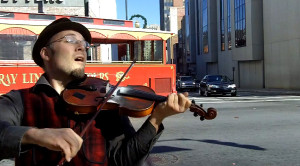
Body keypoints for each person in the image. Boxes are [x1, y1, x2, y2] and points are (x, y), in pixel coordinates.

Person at [0, 18, 191, 166]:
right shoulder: (19, 101)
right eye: (70, 40)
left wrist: (156, 119)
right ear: (46, 53)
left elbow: (123, 160)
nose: (81, 46)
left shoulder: (105, 101)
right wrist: (36, 135)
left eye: (84, 43)